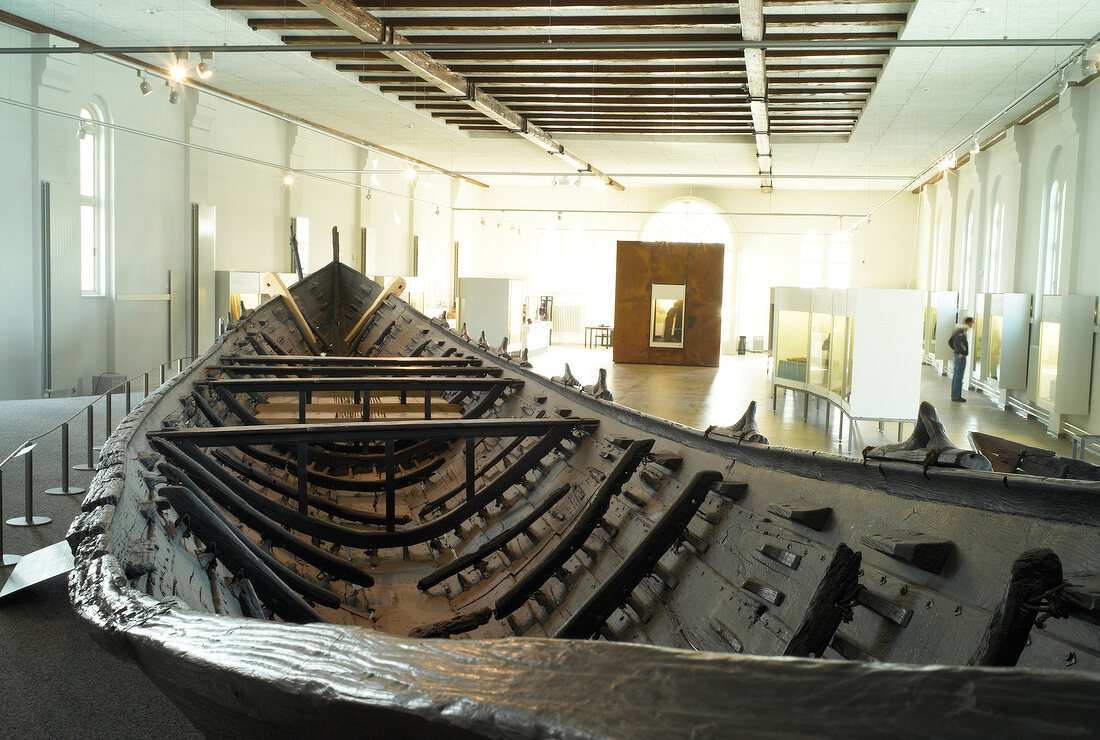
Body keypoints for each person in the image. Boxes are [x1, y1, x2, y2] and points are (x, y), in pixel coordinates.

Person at [948, 317, 974, 402]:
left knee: (956, 376)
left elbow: (950, 341)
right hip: (960, 357)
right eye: (972, 323)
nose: (972, 325)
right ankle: (956, 396)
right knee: (959, 376)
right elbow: (961, 343)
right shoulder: (962, 331)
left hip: (957, 355)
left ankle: (955, 395)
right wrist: (961, 352)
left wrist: (955, 350)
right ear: (969, 323)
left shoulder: (958, 330)